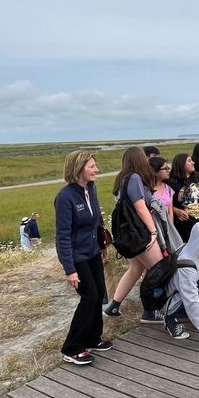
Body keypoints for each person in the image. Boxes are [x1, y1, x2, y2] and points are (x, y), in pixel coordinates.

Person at [55, 150, 112, 365]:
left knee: (98, 295)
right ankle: (71, 347)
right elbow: (62, 236)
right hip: (77, 256)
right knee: (89, 296)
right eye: (91, 166)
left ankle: (92, 338)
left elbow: (96, 220)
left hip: (93, 252)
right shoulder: (65, 197)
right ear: (78, 168)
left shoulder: (91, 189)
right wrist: (69, 269)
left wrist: (102, 245)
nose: (96, 170)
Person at [104, 147, 164, 321]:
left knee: (136, 269)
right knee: (158, 269)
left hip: (127, 233)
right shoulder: (135, 178)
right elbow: (140, 206)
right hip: (139, 232)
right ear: (140, 160)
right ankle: (150, 310)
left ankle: (114, 305)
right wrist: (153, 231)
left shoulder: (121, 178)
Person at [169, 152, 199, 242]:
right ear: (181, 164)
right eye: (189, 161)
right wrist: (176, 210)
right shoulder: (172, 182)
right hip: (184, 225)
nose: (193, 162)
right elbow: (165, 203)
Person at [148, 156, 174, 221]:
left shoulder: (168, 189)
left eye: (168, 168)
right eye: (165, 168)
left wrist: (170, 228)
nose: (168, 171)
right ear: (155, 171)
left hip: (167, 225)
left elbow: (170, 211)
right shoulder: (146, 190)